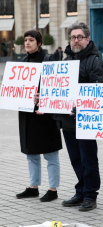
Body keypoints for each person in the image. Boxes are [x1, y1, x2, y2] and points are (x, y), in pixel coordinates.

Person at [59, 22, 103, 211]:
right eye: (73, 37)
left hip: (86, 120)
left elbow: (101, 91)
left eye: (79, 37)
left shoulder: (95, 62)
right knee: (75, 159)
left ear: (87, 39)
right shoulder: (65, 62)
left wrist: (84, 106)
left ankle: (90, 195)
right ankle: (80, 191)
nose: (76, 40)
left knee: (88, 160)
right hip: (68, 120)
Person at [15, 30, 62, 202]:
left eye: (31, 40)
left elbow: (58, 86)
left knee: (50, 153)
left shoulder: (49, 60)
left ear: (39, 42)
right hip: (27, 115)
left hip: (46, 114)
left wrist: (43, 95)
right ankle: (33, 187)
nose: (27, 43)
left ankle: (53, 189)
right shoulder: (24, 61)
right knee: (31, 153)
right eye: (25, 40)